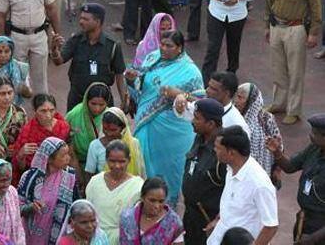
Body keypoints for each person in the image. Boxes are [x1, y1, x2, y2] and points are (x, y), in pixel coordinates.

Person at [125, 30, 204, 205]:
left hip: (173, 131)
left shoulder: (191, 71)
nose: (164, 48)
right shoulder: (153, 58)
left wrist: (179, 94)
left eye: (169, 46)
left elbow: (200, 102)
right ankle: (144, 201)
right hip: (147, 123)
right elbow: (140, 84)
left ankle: (167, 204)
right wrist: (131, 79)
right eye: (162, 44)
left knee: (171, 168)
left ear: (180, 48)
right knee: (143, 160)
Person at [265, 0, 321, 124]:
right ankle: (278, 103)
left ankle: (294, 110)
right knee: (278, 68)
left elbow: (315, 7)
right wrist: (267, 25)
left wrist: (313, 33)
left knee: (295, 71)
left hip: (296, 29)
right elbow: (270, 1)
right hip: (277, 27)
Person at [0, 0, 60, 94]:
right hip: (18, 38)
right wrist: (0, 43)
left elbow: (51, 9)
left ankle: (42, 110)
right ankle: (20, 113)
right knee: (18, 78)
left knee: (40, 79)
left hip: (39, 36)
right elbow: (0, 17)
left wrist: (57, 33)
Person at [206, 126, 278, 245]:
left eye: (218, 148)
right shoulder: (231, 168)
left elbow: (271, 226)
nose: (214, 150)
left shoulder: (259, 184)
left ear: (231, 153)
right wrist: (218, 220)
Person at [52, 3, 126, 111]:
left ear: (98, 22)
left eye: (86, 19)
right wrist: (54, 50)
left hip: (101, 103)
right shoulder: (76, 40)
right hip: (77, 100)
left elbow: (119, 75)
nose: (81, 22)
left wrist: (124, 100)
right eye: (81, 18)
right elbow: (59, 60)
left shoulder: (113, 45)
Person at [265, 114, 325, 243]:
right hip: (304, 221)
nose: (310, 135)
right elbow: (290, 167)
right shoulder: (314, 149)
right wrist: (277, 153)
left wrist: (313, 239)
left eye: (315, 133)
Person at [181, 98, 226, 245]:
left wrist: (219, 219)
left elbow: (235, 192)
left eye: (197, 118)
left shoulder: (223, 151)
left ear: (211, 124)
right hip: (191, 217)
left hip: (208, 222)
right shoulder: (200, 138)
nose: (193, 121)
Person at [18, 137, 78, 245]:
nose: (68, 158)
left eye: (68, 154)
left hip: (58, 236)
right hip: (30, 237)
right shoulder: (29, 178)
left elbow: (76, 204)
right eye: (63, 155)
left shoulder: (70, 177)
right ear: (49, 159)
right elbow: (17, 207)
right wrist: (31, 207)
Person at [85, 140, 144, 244]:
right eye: (112, 161)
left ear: (129, 160)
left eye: (122, 162)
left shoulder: (138, 185)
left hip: (124, 239)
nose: (117, 166)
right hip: (95, 239)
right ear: (106, 160)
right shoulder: (95, 181)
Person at [11, 94, 71, 182]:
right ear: (35, 111)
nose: (48, 115)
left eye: (51, 110)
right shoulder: (27, 133)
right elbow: (21, 168)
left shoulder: (63, 127)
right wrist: (21, 154)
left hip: (61, 175)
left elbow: (70, 155)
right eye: (43, 111)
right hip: (38, 179)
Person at [234, 83, 281, 176]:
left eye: (240, 98)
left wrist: (277, 170)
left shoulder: (267, 119)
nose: (236, 101)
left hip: (262, 169)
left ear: (251, 101)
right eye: (236, 96)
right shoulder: (235, 117)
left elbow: (279, 145)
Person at [119, 177, 184, 244]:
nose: (156, 206)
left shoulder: (173, 222)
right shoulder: (128, 218)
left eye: (161, 201)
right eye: (152, 200)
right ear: (142, 198)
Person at [64, 82, 112, 172]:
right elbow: (64, 137)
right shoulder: (74, 114)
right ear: (86, 100)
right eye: (93, 104)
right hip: (76, 162)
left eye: (101, 105)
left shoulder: (110, 116)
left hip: (102, 165)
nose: (97, 109)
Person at [84, 107, 145, 178]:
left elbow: (140, 170)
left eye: (113, 130)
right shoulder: (95, 145)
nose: (109, 133)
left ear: (123, 128)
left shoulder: (134, 143)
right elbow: (89, 173)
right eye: (105, 129)